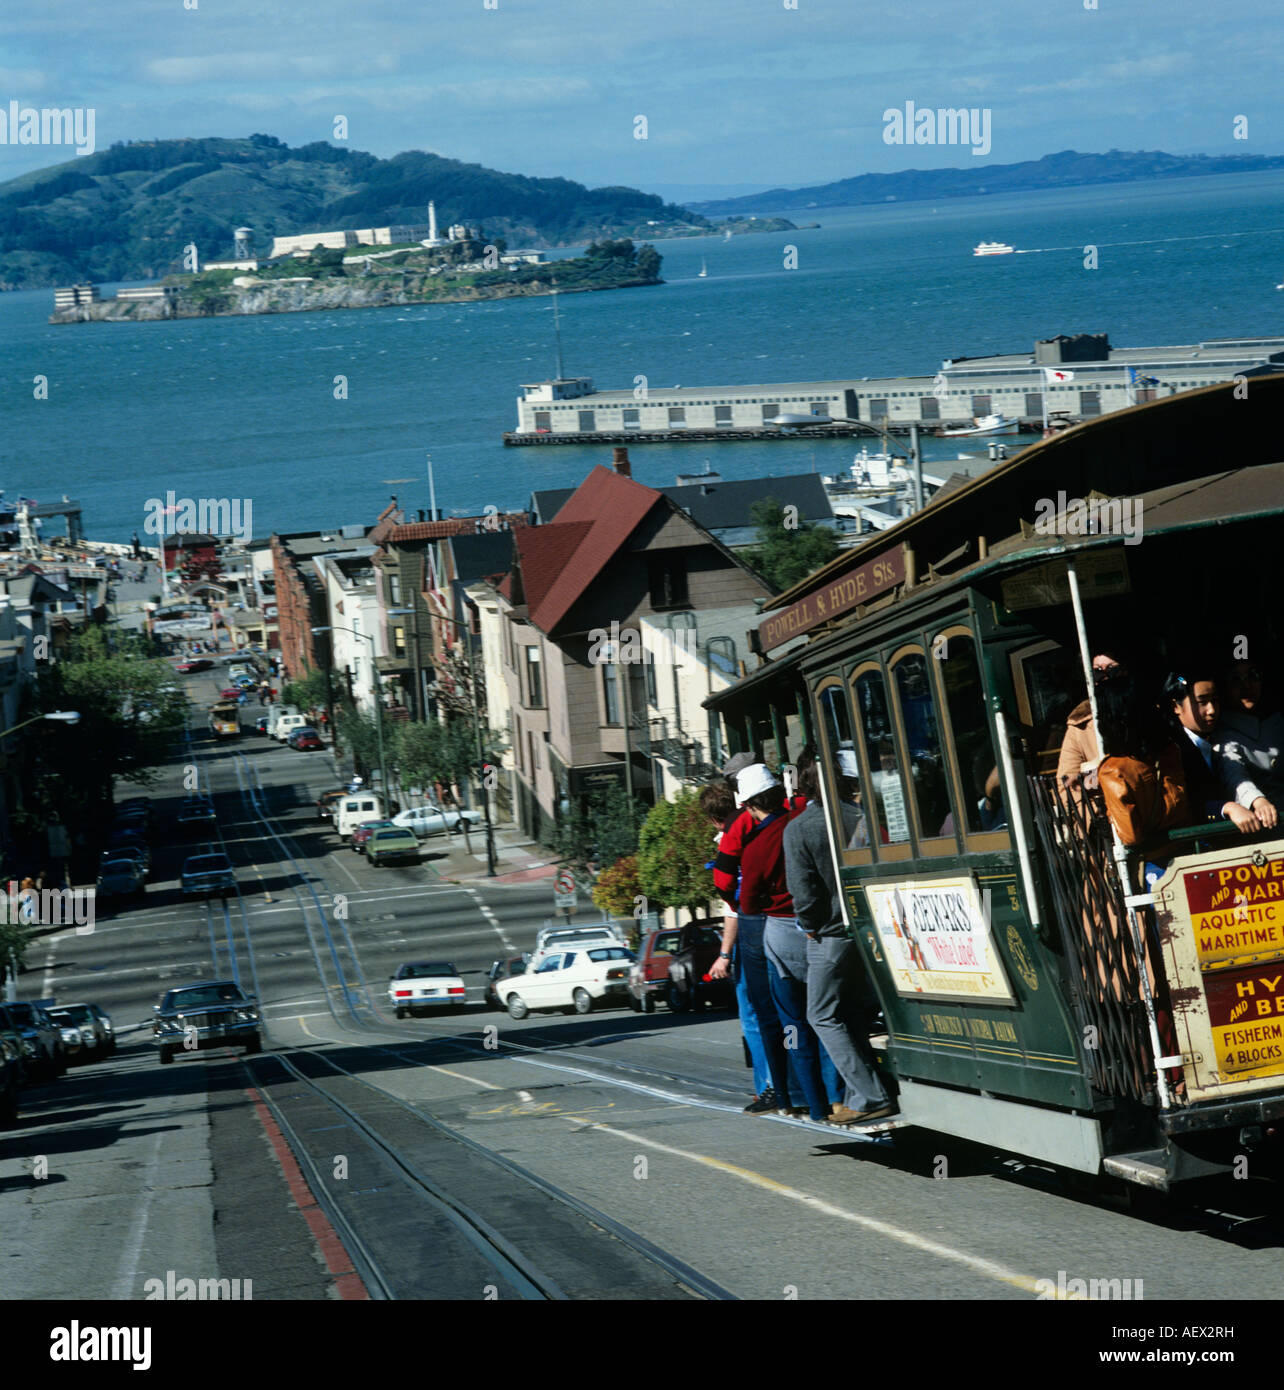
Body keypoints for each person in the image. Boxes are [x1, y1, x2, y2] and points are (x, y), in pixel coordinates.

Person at [784, 753, 895, 1126]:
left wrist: (810, 924)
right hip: (869, 929)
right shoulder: (861, 816)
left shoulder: (800, 828)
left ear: (805, 782)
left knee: (821, 1015)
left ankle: (871, 1094)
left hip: (829, 934)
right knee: (851, 1015)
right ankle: (860, 1096)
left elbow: (803, 893)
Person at [737, 763, 833, 1125]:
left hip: (781, 935)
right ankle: (839, 1096)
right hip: (825, 927)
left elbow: (746, 903)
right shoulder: (802, 821)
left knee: (795, 1023)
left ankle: (811, 1103)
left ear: (750, 806)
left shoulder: (757, 845)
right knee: (831, 1016)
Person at [700, 777, 775, 1113]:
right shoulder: (762, 825)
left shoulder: (730, 841)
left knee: (753, 1017)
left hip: (752, 931)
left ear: (715, 819)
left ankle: (770, 1087)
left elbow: (733, 905)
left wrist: (724, 955)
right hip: (779, 924)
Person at [1165, 670, 1277, 834]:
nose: (1211, 710)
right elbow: (1182, 806)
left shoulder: (1216, 737)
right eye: (1202, 702)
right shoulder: (1173, 750)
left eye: (1215, 700)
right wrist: (1226, 807)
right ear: (1176, 706)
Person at [1056, 650, 1127, 800]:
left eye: (1112, 669)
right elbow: (1066, 790)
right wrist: (1103, 815)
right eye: (1097, 672)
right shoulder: (1079, 727)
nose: (1105, 678)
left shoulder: (1147, 714)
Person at [1215, 660, 1284, 811]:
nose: (1247, 686)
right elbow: (1234, 774)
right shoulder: (1222, 734)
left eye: (1253, 676)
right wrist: (1257, 800)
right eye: (1235, 679)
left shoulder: (1276, 720)